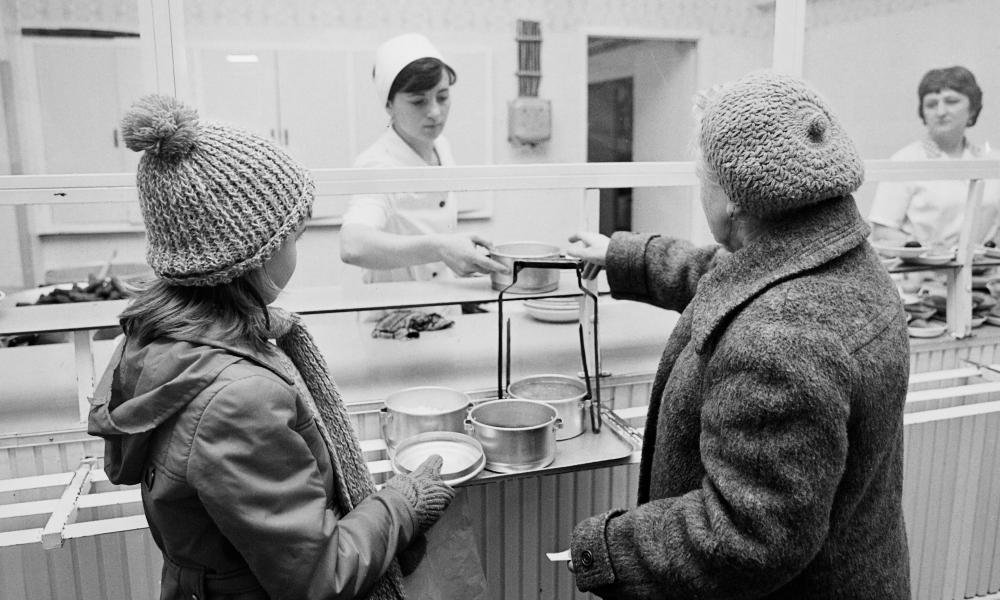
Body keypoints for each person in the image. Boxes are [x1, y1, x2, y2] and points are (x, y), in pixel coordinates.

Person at [87, 94, 455, 600]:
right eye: (294, 236)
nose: (296, 249)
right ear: (252, 255)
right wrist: (404, 503)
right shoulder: (238, 400)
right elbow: (320, 574)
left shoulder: (160, 342)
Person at [565, 71, 911, 599]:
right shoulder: (842, 261)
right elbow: (735, 278)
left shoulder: (782, 340)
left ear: (732, 197)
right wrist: (623, 256)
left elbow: (747, 536)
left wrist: (608, 548)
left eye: (699, 176)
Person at [339, 33, 507, 299]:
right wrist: (440, 248)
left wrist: (456, 252)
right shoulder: (378, 164)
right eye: (418, 101)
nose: (435, 112)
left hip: (443, 303)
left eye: (442, 97)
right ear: (389, 105)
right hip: (394, 312)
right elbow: (353, 245)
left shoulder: (441, 147)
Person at [869, 65, 999, 250]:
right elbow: (882, 231)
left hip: (986, 267)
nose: (941, 112)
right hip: (922, 267)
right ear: (922, 112)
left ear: (972, 109)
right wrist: (927, 252)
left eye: (951, 101)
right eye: (931, 104)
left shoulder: (990, 161)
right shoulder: (905, 161)